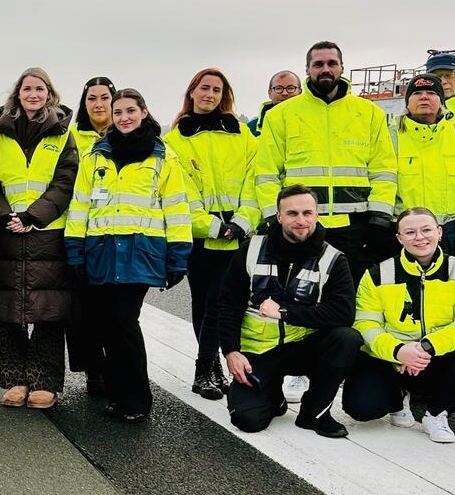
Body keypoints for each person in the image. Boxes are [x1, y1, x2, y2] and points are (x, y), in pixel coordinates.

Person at [65, 89, 192, 422]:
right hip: (101, 251)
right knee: (106, 327)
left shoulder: (163, 156)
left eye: (130, 111)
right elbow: (80, 204)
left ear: (144, 112)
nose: (123, 117)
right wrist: (74, 249)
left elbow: (176, 207)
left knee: (123, 322)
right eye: (117, 111)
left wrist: (179, 254)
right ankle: (118, 392)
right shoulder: (96, 155)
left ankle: (137, 399)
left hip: (140, 252)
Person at [219, 186, 359, 437]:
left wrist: (284, 311)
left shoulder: (334, 258)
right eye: (292, 213)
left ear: (317, 215)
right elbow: (228, 303)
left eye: (307, 213)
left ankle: (314, 413)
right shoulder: (251, 249)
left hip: (303, 346)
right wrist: (231, 351)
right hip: (259, 350)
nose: (301, 220)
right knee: (247, 421)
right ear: (279, 216)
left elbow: (343, 313)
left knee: (346, 338)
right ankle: (273, 397)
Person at [255, 41, 397, 280]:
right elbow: (267, 173)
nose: (326, 69)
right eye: (318, 64)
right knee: (301, 299)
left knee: (349, 300)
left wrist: (379, 218)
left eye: (332, 63)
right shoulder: (281, 115)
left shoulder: (370, 112)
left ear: (342, 67)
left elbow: (383, 170)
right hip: (302, 227)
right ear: (307, 69)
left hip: (355, 228)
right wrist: (274, 219)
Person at [0, 69, 78, 409]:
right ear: (17, 93)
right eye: (27, 88)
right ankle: (15, 379)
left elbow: (66, 180)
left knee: (48, 311)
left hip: (47, 233)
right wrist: (3, 215)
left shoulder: (63, 134)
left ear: (49, 93)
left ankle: (44, 381)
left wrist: (32, 217)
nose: (33, 94)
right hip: (5, 231)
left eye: (39, 89)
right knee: (6, 309)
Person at [163, 69, 259, 400]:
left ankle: (204, 367)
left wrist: (243, 222)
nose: (210, 94)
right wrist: (214, 226)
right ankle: (213, 366)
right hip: (200, 236)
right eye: (204, 88)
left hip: (236, 236)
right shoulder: (176, 139)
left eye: (217, 89)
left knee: (219, 302)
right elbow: (181, 193)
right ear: (192, 92)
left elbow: (254, 181)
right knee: (202, 303)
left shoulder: (242, 134)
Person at [346, 207, 455, 442]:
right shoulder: (378, 274)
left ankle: (436, 413)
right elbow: (365, 324)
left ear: (439, 232)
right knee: (361, 408)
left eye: (426, 230)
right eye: (410, 232)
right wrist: (398, 351)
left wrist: (426, 347)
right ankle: (398, 397)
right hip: (393, 360)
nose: (420, 237)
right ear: (399, 238)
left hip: (441, 357)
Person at [66, 76, 116, 397]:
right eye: (91, 99)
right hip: (80, 229)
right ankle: (94, 369)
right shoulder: (71, 136)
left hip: (116, 233)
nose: (98, 104)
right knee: (81, 308)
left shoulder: (127, 132)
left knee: (114, 307)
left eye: (104, 98)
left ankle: (116, 364)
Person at [391, 73, 455, 252]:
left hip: (451, 231)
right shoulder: (390, 137)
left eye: (431, 92)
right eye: (417, 93)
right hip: (406, 231)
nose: (424, 97)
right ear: (407, 102)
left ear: (441, 101)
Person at [247, 71, 301, 137]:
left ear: (300, 92)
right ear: (269, 93)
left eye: (290, 88)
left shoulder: (312, 121)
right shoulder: (251, 129)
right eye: (278, 88)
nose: (284, 93)